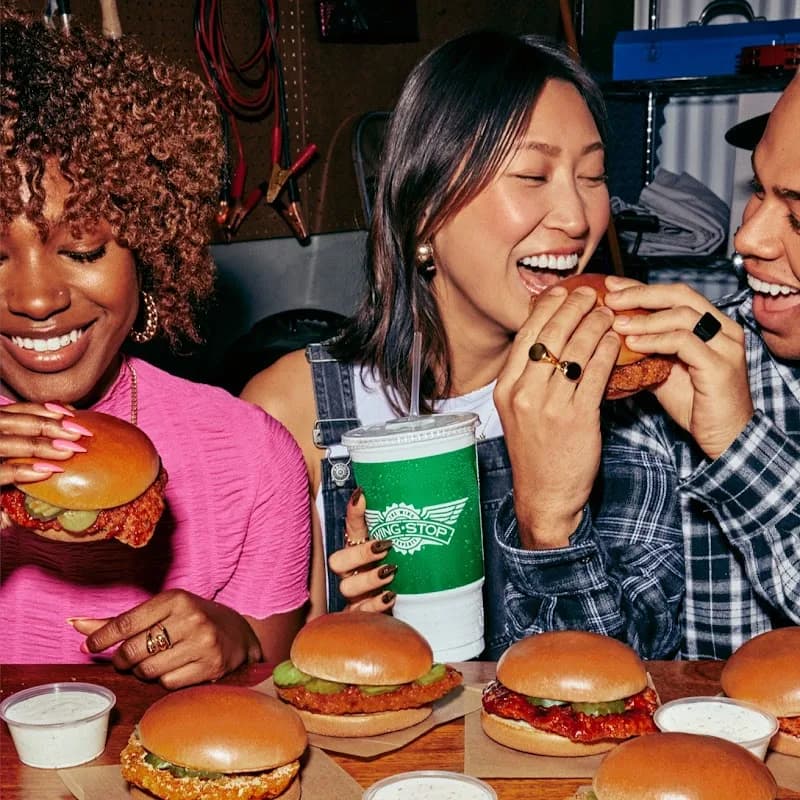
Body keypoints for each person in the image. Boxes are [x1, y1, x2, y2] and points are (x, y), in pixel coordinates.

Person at [242, 30, 685, 660]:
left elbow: (624, 683)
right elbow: (268, 672)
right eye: (532, 174)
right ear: (425, 210)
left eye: (592, 176)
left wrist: (549, 527)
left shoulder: (625, 399)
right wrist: (353, 636)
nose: (579, 217)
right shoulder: (294, 409)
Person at [0, 8, 311, 688]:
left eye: (81, 247)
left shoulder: (253, 457)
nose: (35, 297)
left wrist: (234, 640)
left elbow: (273, 674)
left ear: (146, 239)